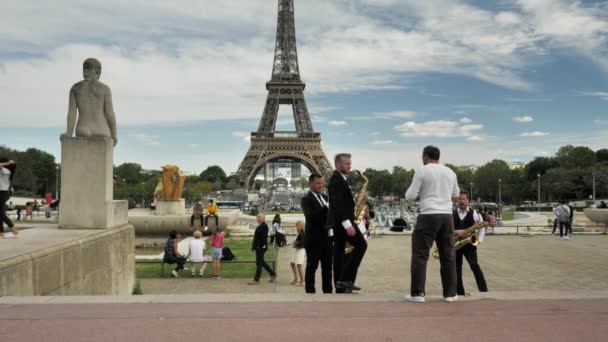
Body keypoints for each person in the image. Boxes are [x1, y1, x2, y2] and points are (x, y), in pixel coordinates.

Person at [405, 145, 460, 303]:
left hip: (428, 215)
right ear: (438, 156)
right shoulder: (450, 172)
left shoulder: (422, 171)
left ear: (425, 156)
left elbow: (410, 196)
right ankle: (450, 293)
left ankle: (418, 293)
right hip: (447, 216)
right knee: (448, 255)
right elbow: (456, 196)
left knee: (420, 255)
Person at [328, 153, 367, 294]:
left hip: (340, 223)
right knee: (361, 245)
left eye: (350, 164)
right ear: (338, 164)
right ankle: (346, 280)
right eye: (347, 164)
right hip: (344, 223)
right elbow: (338, 204)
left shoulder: (339, 179)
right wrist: (347, 224)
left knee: (338, 253)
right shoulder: (337, 180)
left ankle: (340, 285)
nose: (350, 167)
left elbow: (342, 202)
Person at [61, 58, 118, 146]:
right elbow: (109, 113)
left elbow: (72, 112)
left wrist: (69, 132)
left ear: (84, 70)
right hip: (101, 128)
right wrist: (114, 135)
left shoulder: (75, 88)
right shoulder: (104, 88)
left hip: (82, 128)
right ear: (98, 72)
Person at [301, 174, 333, 294]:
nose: (321, 185)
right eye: (318, 183)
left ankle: (328, 292)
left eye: (322, 183)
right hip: (314, 240)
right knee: (311, 268)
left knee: (328, 269)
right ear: (310, 184)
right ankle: (310, 294)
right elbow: (311, 216)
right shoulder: (305, 200)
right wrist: (326, 207)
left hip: (327, 240)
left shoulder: (325, 197)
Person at [453, 191, 488, 296]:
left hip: (469, 245)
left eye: (464, 199)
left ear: (468, 200)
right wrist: (457, 232)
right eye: (460, 199)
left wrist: (479, 241)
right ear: (457, 201)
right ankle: (459, 292)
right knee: (456, 269)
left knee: (475, 266)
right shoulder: (452, 213)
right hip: (456, 245)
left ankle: (484, 291)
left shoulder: (475, 213)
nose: (462, 201)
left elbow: (482, 228)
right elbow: (447, 229)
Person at [248, 214, 277, 284]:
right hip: (258, 247)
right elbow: (256, 238)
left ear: (263, 219)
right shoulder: (260, 226)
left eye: (260, 218)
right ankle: (273, 274)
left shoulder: (264, 226)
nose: (258, 219)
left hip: (261, 247)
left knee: (259, 263)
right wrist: (253, 247)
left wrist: (260, 246)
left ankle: (256, 279)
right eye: (257, 218)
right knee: (261, 262)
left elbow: (263, 238)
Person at [0, 158, 18, 237]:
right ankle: (1, 232)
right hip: (3, 193)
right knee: (0, 213)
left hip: (2, 193)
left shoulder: (6, 171)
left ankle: (12, 227)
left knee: (1, 214)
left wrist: (7, 163)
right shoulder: (4, 170)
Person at [290, 221, 306, 286]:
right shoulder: (300, 232)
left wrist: (296, 243)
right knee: (292, 263)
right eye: (296, 226)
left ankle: (302, 281)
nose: (296, 227)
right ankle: (296, 278)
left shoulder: (302, 232)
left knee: (299, 265)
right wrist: (295, 242)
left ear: (301, 226)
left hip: (301, 250)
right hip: (298, 249)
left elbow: (304, 241)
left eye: (297, 226)